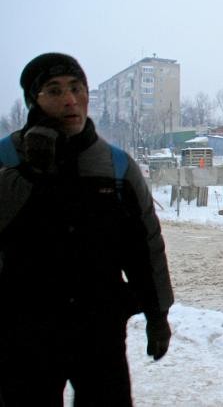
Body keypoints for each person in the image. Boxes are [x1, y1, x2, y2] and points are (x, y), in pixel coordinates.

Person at [0, 53, 174, 406]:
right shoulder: (7, 158)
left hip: (99, 328)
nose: (70, 100)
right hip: (24, 330)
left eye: (77, 88)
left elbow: (144, 246)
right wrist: (32, 173)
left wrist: (158, 314)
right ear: (33, 100)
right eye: (54, 90)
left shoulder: (115, 164)